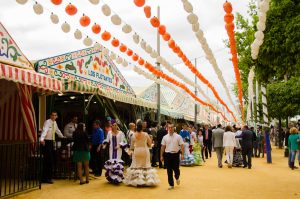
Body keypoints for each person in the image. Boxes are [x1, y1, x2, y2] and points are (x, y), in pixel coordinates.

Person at [124, 119, 160, 186]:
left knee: (137, 166)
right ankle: (145, 181)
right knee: (146, 165)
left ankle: (136, 181)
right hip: (144, 151)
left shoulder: (133, 135)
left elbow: (131, 147)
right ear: (142, 128)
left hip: (137, 151)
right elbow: (149, 144)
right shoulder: (146, 134)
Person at [40, 111, 65, 184]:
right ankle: (46, 178)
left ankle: (47, 177)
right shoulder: (47, 122)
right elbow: (44, 130)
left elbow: (57, 130)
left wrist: (62, 136)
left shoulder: (55, 123)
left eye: (55, 115)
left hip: (51, 142)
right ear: (50, 116)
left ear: (57, 116)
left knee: (51, 160)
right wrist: (42, 139)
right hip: (46, 142)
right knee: (48, 160)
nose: (54, 116)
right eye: (53, 115)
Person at [160, 123, 184, 190]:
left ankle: (177, 177)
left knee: (176, 169)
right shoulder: (165, 137)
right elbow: (163, 147)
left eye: (171, 127)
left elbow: (182, 146)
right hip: (167, 155)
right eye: (169, 127)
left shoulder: (178, 136)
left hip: (176, 155)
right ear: (167, 128)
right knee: (169, 170)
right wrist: (161, 156)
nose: (170, 129)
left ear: (174, 128)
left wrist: (182, 154)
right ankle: (171, 184)